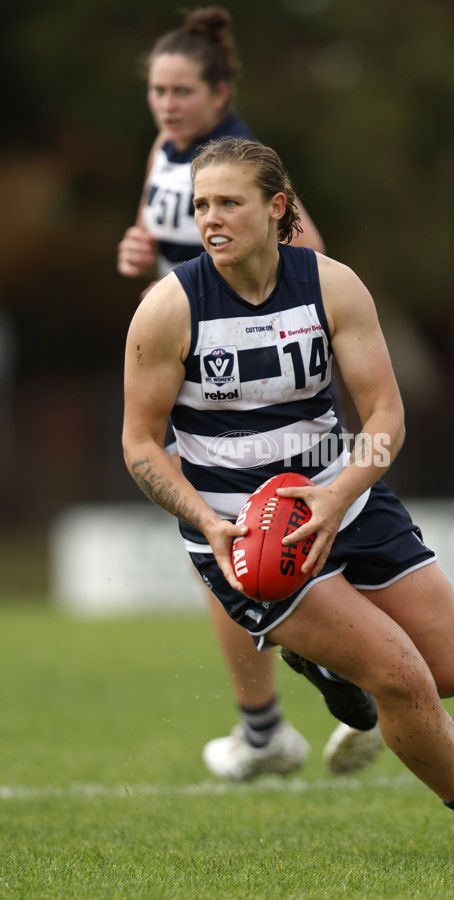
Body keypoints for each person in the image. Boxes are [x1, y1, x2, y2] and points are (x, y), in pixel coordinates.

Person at [122, 136, 454, 859]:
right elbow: (138, 443)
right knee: (401, 676)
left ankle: (321, 664)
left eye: (230, 202)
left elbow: (386, 415)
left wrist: (341, 491)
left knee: (453, 668)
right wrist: (205, 522)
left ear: (277, 207)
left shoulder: (332, 285)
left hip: (340, 496)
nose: (211, 219)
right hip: (245, 536)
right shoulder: (169, 308)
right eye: (201, 206)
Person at [117, 6, 382, 781]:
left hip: (245, 383)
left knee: (245, 541)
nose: (167, 104)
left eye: (182, 91)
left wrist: (244, 319)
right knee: (218, 542)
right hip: (178, 351)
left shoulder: (242, 163)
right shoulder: (167, 154)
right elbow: (160, 240)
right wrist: (142, 251)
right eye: (157, 90)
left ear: (220, 91)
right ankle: (265, 723)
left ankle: (301, 700)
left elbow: (309, 257)